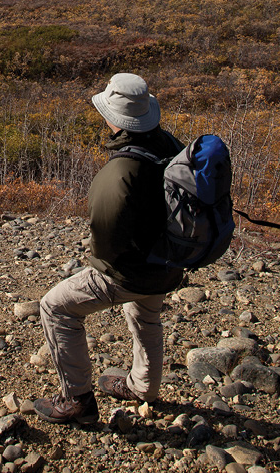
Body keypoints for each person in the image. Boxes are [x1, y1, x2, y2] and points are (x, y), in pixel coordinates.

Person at [33, 72, 183, 424]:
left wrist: (99, 262)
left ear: (112, 119)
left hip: (136, 270)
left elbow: (105, 246)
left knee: (55, 307)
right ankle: (143, 388)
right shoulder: (171, 145)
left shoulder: (118, 174)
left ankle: (78, 401)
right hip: (170, 261)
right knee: (145, 314)